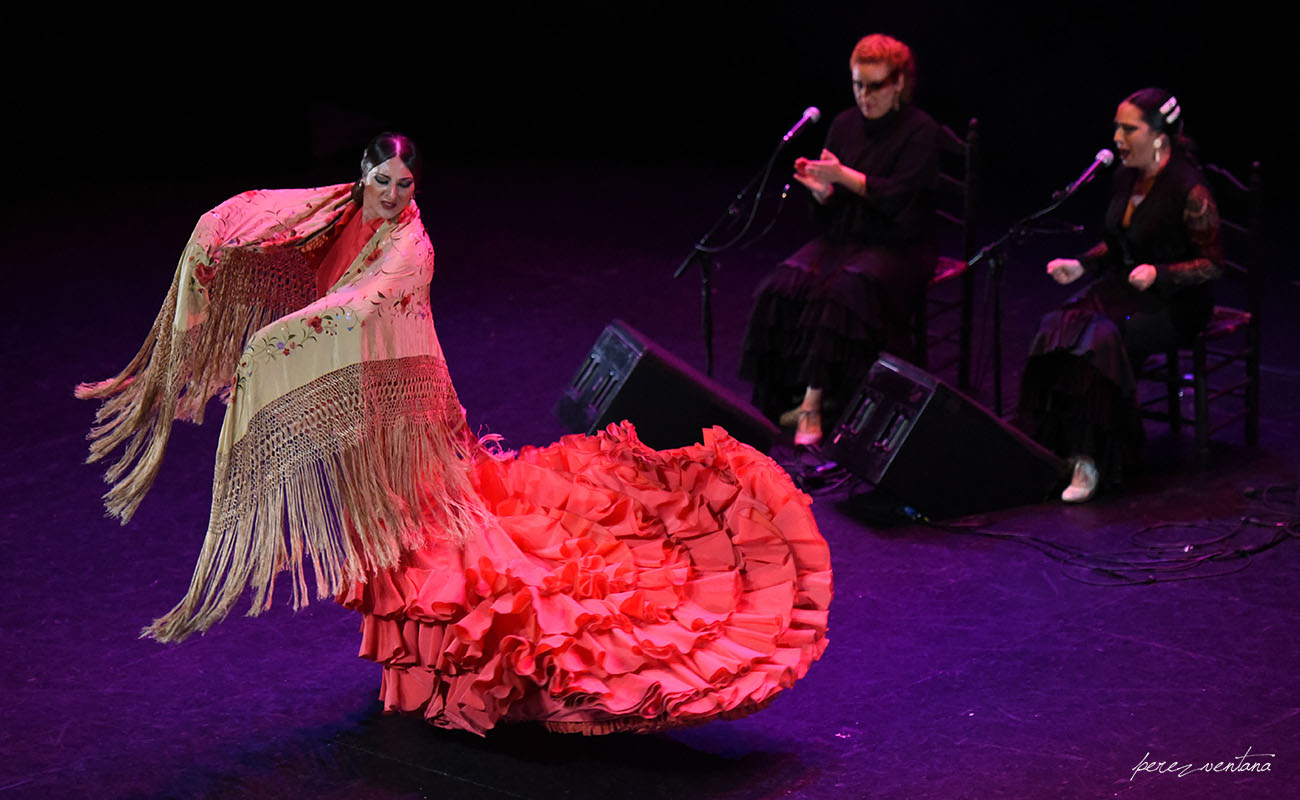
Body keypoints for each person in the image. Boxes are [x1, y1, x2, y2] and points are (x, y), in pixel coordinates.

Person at [77, 133, 831, 736]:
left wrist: (271, 344)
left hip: (407, 412)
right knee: (399, 538)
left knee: (433, 537)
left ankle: (498, 675)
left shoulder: (413, 247)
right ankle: (419, 681)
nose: (395, 197)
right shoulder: (339, 211)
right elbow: (254, 215)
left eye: (406, 187)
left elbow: (360, 306)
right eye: (384, 184)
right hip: (367, 404)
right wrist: (211, 250)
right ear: (361, 177)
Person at [1017, 89, 1223, 502]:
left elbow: (1212, 264)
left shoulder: (1189, 189)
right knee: (1060, 326)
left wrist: (1161, 273)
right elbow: (1117, 244)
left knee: (1099, 340)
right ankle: (1054, 449)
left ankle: (1092, 457)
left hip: (1177, 304)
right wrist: (1082, 265)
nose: (1117, 138)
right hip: (1129, 289)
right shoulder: (1127, 176)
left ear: (1159, 136)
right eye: (1117, 128)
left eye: (1129, 129)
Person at [740, 33, 940, 445]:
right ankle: (789, 395)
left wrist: (842, 176)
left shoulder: (920, 131)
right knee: (779, 285)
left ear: (898, 83)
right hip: (849, 237)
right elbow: (828, 212)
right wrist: (822, 192)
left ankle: (814, 405)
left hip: (899, 245)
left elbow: (900, 201)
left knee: (843, 291)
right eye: (857, 85)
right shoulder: (844, 125)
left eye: (874, 86)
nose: (864, 96)